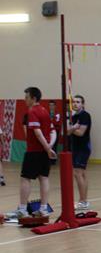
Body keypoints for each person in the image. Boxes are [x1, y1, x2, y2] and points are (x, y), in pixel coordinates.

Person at [13, 87, 56, 218]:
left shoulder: (32, 111)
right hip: (44, 152)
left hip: (34, 151)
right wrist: (49, 146)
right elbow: (53, 131)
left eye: (27, 97)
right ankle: (43, 208)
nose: (24, 100)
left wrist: (47, 148)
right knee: (44, 178)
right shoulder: (45, 111)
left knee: (25, 178)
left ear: (34, 98)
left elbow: (38, 133)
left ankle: (22, 209)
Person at [66, 94, 92, 210]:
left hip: (83, 148)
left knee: (77, 173)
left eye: (78, 102)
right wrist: (73, 128)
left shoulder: (85, 115)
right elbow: (67, 132)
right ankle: (84, 201)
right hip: (75, 147)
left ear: (83, 104)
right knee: (81, 174)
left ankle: (82, 201)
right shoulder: (74, 117)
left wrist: (72, 129)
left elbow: (81, 133)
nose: (75, 104)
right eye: (74, 102)